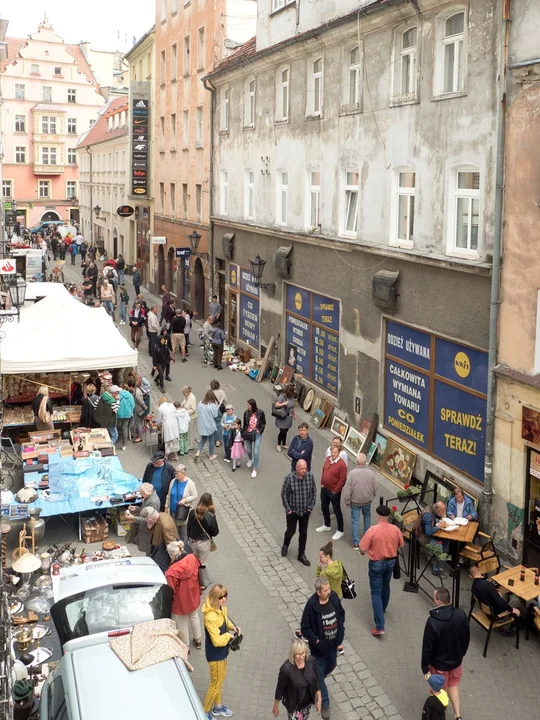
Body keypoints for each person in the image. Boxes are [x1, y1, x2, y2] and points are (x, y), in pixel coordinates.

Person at [421, 587, 470, 720]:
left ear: (438, 601)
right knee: (453, 685)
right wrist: (462, 653)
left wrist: (425, 667)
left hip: (439, 664)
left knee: (440, 692)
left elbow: (427, 647)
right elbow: (466, 636)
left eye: (434, 598)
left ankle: (439, 714)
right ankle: (458, 715)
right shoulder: (461, 614)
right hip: (456, 661)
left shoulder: (432, 621)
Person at [300, 577, 345, 720]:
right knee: (319, 675)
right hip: (319, 649)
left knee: (331, 665)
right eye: (325, 590)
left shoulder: (333, 597)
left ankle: (314, 681)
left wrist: (341, 629)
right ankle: (324, 704)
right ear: (318, 592)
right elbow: (305, 628)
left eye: (329, 588)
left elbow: (341, 613)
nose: (329, 591)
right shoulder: (312, 605)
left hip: (332, 646)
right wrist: (317, 641)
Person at [359, 504, 404, 637]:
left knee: (375, 593)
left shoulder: (373, 530)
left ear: (378, 516)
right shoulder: (395, 529)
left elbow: (362, 549)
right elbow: (401, 544)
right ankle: (382, 609)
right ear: (389, 516)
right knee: (386, 585)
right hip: (391, 562)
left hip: (376, 563)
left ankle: (380, 626)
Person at [201, 584, 240, 719]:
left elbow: (226, 620)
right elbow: (217, 640)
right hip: (215, 654)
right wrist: (228, 636)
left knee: (220, 680)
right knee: (214, 684)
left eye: (225, 596)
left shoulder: (221, 608)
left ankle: (217, 707)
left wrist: (233, 627)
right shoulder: (209, 617)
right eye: (220, 597)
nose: (223, 599)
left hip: (222, 652)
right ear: (214, 598)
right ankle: (204, 712)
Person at [165, 540, 202, 649]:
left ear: (172, 554)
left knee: (182, 623)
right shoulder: (192, 558)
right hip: (193, 595)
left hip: (180, 602)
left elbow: (171, 591)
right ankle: (198, 640)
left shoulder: (171, 572)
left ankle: (185, 646)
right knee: (194, 617)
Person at [273, 640, 322, 720]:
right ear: (293, 654)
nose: (302, 656)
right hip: (294, 705)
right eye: (298, 654)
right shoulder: (286, 669)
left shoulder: (311, 661)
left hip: (307, 703)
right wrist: (276, 706)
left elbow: (317, 680)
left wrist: (319, 699)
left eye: (303, 653)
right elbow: (280, 689)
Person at [281, 459, 316, 566]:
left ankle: (301, 554)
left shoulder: (310, 477)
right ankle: (286, 544)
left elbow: (314, 491)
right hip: (293, 511)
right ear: (296, 468)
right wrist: (288, 510)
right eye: (302, 468)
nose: (304, 470)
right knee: (291, 531)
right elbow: (284, 494)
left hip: (305, 511)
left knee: (303, 533)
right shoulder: (289, 479)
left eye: (305, 468)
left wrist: (310, 507)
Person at [469, 565, 520, 632]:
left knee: (504, 594)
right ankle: (506, 627)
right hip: (496, 614)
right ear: (480, 571)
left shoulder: (473, 586)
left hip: (487, 608)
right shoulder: (488, 585)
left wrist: (495, 593)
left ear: (470, 577)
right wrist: (511, 609)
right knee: (517, 599)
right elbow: (500, 602)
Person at [342, 453, 378, 549]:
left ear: (357, 462)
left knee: (355, 521)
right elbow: (375, 488)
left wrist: (347, 501)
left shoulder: (352, 473)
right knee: (367, 517)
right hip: (367, 501)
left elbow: (348, 489)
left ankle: (356, 543)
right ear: (366, 462)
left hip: (355, 502)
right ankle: (367, 539)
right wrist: (371, 497)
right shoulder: (371, 473)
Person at [315, 445, 348, 541]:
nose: (333, 454)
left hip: (334, 491)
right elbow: (323, 470)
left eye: (335, 452)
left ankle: (340, 530)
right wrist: (322, 483)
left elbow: (342, 479)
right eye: (332, 452)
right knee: (324, 507)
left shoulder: (342, 464)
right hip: (324, 488)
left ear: (339, 453)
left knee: (337, 510)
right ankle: (326, 524)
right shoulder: (328, 459)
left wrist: (336, 490)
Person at [165, 464, 198, 544]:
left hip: (183, 512)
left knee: (184, 532)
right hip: (173, 511)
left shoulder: (190, 483)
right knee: (175, 531)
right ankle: (178, 547)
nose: (176, 475)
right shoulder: (173, 481)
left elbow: (195, 495)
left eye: (178, 473)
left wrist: (185, 500)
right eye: (175, 473)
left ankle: (186, 548)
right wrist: (166, 507)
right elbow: (169, 495)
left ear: (183, 474)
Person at [125, 482, 160, 554]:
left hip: (146, 530)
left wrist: (133, 518)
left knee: (145, 548)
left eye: (141, 493)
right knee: (139, 543)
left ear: (145, 492)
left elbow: (148, 520)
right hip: (142, 528)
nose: (141, 495)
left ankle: (149, 561)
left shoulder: (153, 502)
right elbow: (145, 510)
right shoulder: (149, 497)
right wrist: (137, 508)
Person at [416, 502, 449, 577]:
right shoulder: (428, 515)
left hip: (427, 534)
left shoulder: (432, 508)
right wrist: (438, 526)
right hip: (423, 537)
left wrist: (442, 516)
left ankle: (437, 559)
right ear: (437, 509)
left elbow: (436, 516)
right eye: (442, 511)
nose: (443, 512)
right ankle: (436, 570)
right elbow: (428, 532)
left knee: (445, 541)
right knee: (439, 545)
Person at [187, 492, 219, 570]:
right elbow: (215, 532)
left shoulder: (192, 512)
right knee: (202, 564)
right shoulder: (211, 515)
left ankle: (194, 578)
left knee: (194, 561)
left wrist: (189, 538)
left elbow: (188, 527)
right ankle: (201, 580)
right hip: (204, 543)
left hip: (193, 541)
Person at [142, 506, 179, 572]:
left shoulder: (165, 525)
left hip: (163, 553)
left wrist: (172, 564)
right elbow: (157, 531)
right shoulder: (162, 515)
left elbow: (172, 545)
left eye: (147, 521)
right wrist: (150, 527)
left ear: (150, 519)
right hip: (160, 548)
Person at [243, 399, 266, 479]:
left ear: (253, 405)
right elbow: (245, 425)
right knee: (248, 450)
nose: (247, 406)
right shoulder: (246, 413)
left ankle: (254, 469)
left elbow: (263, 422)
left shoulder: (260, 412)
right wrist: (243, 434)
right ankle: (250, 459)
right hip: (248, 434)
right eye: (247, 405)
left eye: (249, 405)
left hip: (257, 434)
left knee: (255, 451)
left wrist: (259, 430)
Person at [195, 390, 219, 461]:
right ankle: (211, 455)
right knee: (211, 439)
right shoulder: (212, 405)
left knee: (203, 439)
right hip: (209, 425)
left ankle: (198, 451)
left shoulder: (200, 403)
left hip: (202, 424)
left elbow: (198, 411)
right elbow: (215, 415)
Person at [155, 396, 180, 460]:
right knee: (174, 439)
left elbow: (159, 419)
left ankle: (166, 456)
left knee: (168, 440)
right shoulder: (172, 405)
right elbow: (176, 414)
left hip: (167, 425)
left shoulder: (160, 408)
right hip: (174, 423)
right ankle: (175, 456)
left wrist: (156, 424)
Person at [274, 385, 296, 453]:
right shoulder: (282, 396)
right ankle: (278, 444)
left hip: (289, 417)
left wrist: (294, 414)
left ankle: (283, 443)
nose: (292, 394)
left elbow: (292, 407)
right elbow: (276, 405)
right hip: (283, 416)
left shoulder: (292, 397)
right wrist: (284, 403)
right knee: (282, 431)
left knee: (286, 430)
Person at [117, 385, 135, 451]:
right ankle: (124, 445)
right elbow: (133, 405)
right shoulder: (130, 396)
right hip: (127, 415)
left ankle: (114, 440)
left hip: (119, 414)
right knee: (125, 428)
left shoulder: (119, 395)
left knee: (115, 426)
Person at [210, 380, 227, 447]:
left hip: (212, 409)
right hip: (219, 410)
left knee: (213, 422)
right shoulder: (222, 392)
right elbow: (225, 400)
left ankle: (212, 437)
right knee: (219, 424)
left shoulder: (210, 393)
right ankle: (218, 440)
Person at [181, 386, 197, 450]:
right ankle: (187, 443)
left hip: (191, 417)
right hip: (186, 417)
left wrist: (185, 412)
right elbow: (184, 402)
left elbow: (193, 409)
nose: (183, 394)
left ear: (187, 392)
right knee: (187, 430)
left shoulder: (192, 398)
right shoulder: (186, 396)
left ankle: (191, 445)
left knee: (191, 431)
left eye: (183, 393)